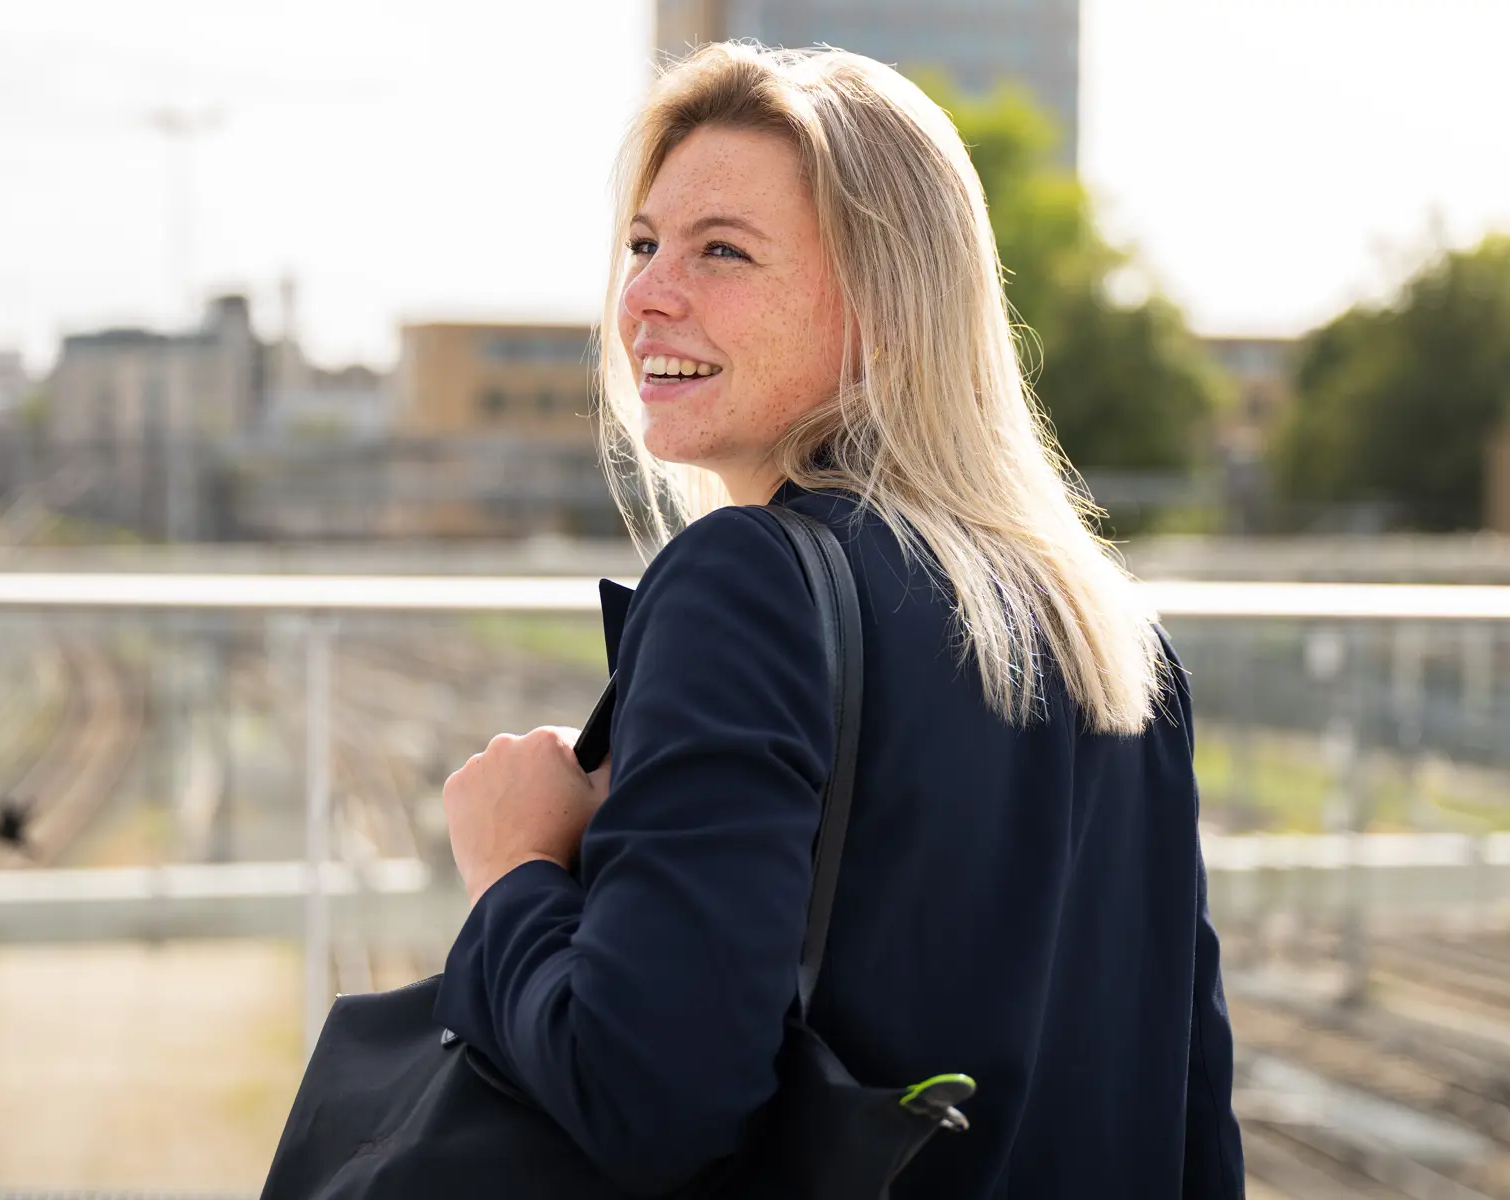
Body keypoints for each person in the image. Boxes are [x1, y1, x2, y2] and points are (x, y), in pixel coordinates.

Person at [433, 42, 1244, 1198]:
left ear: (885, 304)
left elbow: (644, 1094)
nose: (650, 294)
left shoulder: (744, 584)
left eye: (724, 250)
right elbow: (1190, 1113)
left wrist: (513, 871)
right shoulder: (1111, 635)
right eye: (645, 243)